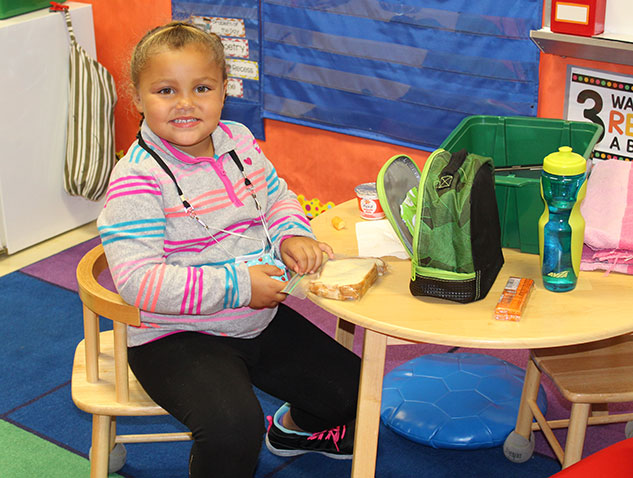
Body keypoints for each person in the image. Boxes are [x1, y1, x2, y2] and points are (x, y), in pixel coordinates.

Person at [97, 21, 361, 478]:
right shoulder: (135, 179)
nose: (185, 103)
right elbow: (140, 283)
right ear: (137, 99)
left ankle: (294, 429)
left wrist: (291, 234)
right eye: (165, 90)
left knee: (358, 390)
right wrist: (240, 286)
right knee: (232, 429)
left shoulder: (238, 140)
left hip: (256, 318)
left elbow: (275, 196)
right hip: (174, 337)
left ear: (224, 91)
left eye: (201, 87)